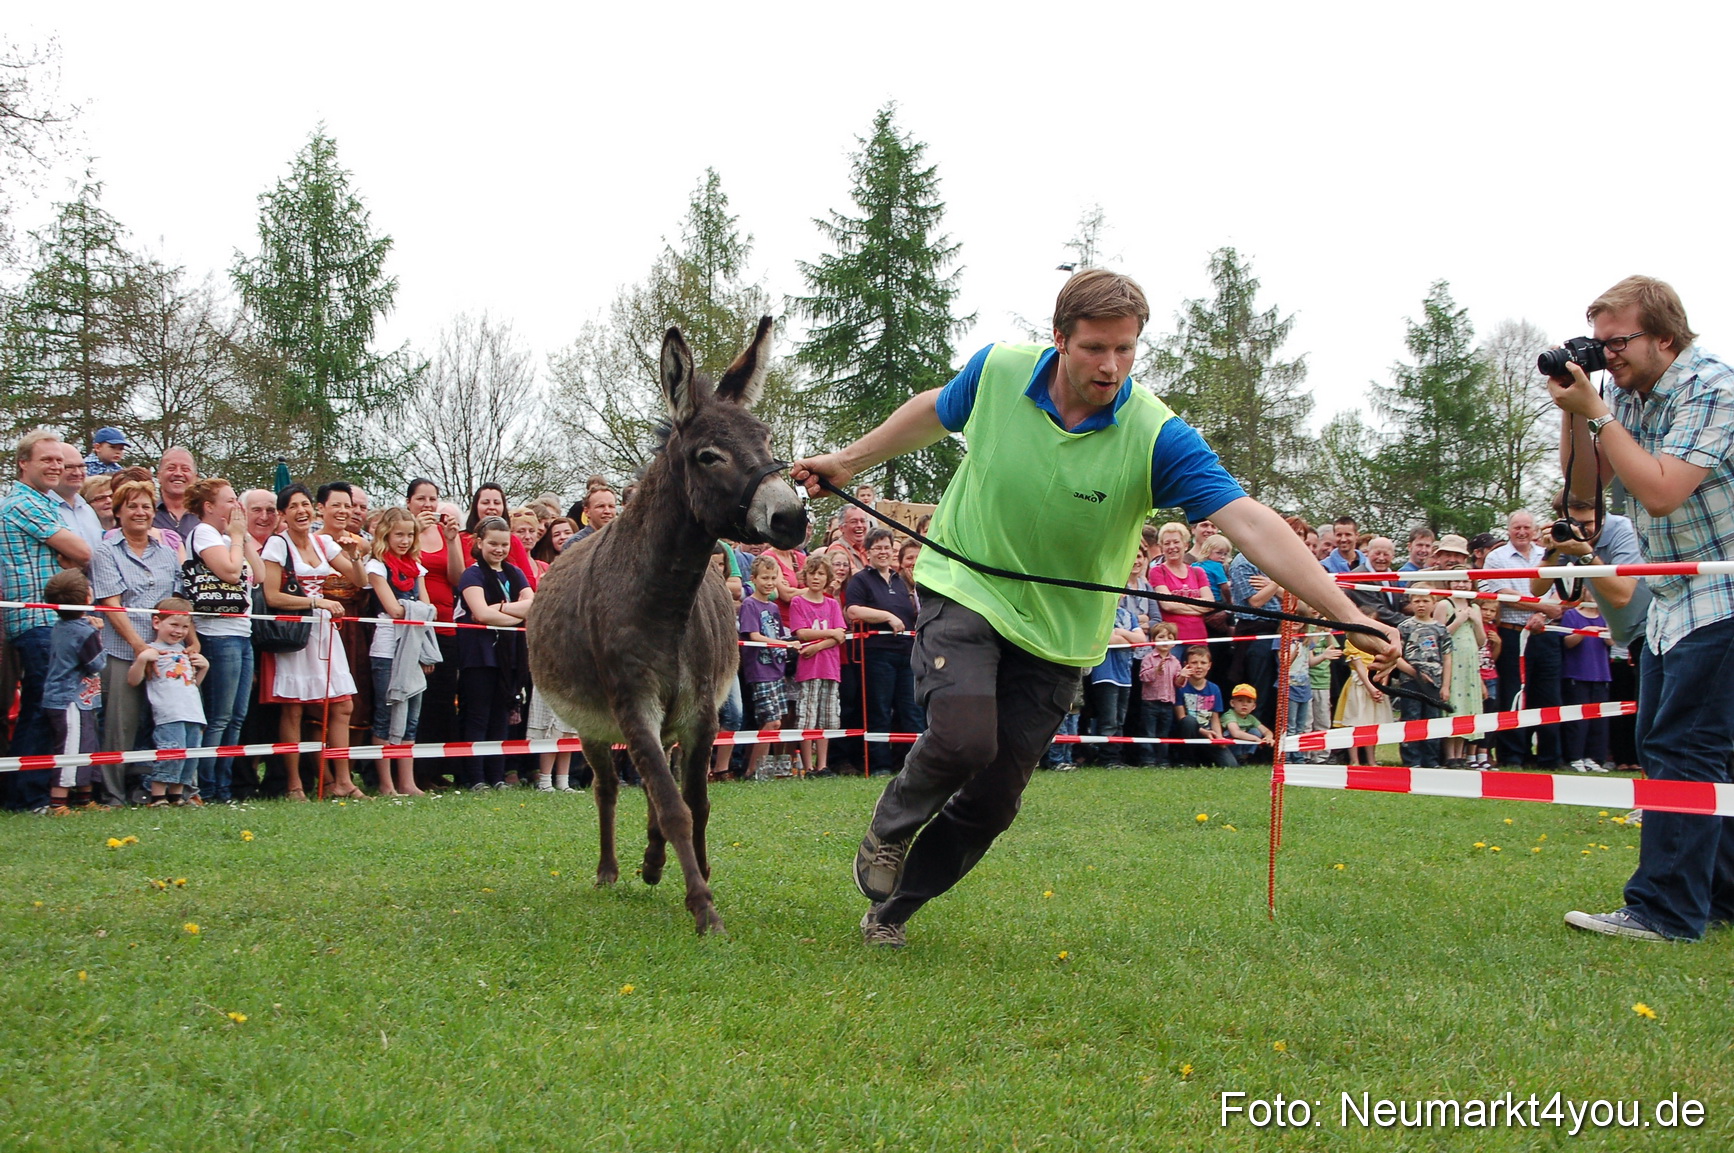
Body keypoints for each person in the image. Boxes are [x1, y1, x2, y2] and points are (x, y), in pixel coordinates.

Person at [794, 269, 1395, 946]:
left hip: (1062, 632)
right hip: (966, 586)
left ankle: (892, 911)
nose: (1111, 366)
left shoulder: (1156, 435)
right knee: (964, 738)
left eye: (1125, 349)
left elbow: (1249, 521)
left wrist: (1347, 613)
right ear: (1059, 338)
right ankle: (890, 828)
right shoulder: (999, 370)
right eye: (1094, 348)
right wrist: (849, 461)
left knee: (994, 801)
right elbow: (936, 409)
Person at [1547, 276, 1734, 942]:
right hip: (1676, 596)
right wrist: (1575, 408)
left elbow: (1660, 491)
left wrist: (1598, 413)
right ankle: (1717, 897)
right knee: (1688, 744)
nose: (1606, 355)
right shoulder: (1626, 395)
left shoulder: (1711, 387)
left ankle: (1664, 910)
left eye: (1617, 341)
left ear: (1665, 336)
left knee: (1683, 745)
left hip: (1723, 589)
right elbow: (1585, 488)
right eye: (1597, 343)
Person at [1, 431, 95, 809]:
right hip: (37, 620)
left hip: (49, 621)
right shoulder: (23, 503)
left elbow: (75, 557)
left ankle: (24, 795)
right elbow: (82, 551)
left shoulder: (44, 502)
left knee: (40, 709)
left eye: (60, 460)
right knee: (44, 710)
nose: (56, 466)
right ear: (24, 463)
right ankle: (30, 796)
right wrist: (68, 556)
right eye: (48, 460)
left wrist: (68, 557)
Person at [260, 483, 365, 801]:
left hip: (324, 632)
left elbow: (360, 581)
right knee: (293, 708)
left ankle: (343, 781)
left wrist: (354, 556)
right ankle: (294, 785)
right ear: (283, 514)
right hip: (294, 632)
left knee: (342, 705)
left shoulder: (323, 543)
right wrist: (316, 602)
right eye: (293, 506)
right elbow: (272, 595)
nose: (301, 511)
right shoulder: (277, 544)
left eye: (305, 504)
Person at [91, 478, 182, 804]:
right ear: (118, 512)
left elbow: (176, 604)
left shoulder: (167, 553)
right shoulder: (105, 552)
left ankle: (164, 790)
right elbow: (111, 605)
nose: (140, 512)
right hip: (121, 651)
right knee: (121, 726)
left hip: (166, 653)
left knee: (168, 722)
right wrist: (138, 646)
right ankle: (113, 794)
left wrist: (190, 643)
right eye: (132, 506)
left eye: (146, 506)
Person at [186, 477, 257, 803]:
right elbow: (229, 572)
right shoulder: (203, 533)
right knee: (219, 717)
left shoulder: (231, 538)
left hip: (242, 632)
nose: (236, 506)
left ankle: (224, 786)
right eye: (229, 500)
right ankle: (208, 787)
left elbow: (258, 575)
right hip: (217, 633)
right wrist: (237, 537)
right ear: (209, 506)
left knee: (237, 717)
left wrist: (243, 537)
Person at [452, 516, 533, 790]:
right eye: (493, 544)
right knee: (478, 715)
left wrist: (499, 609)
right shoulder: (472, 574)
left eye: (504, 545)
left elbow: (532, 605)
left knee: (501, 717)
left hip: (509, 656)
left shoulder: (515, 573)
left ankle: (497, 776)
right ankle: (475, 777)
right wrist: (514, 613)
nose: (499, 550)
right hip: (479, 655)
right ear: (479, 543)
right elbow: (480, 613)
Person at [1481, 510, 1564, 768]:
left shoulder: (1549, 555)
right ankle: (1513, 756)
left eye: (1527, 527)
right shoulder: (1497, 558)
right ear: (1508, 530)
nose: (1522, 532)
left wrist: (1543, 614)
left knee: (1548, 696)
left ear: (1535, 530)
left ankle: (1550, 758)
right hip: (1512, 634)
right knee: (1513, 694)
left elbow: (1563, 590)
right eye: (1517, 527)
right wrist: (1542, 607)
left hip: (1545, 634)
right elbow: (1503, 594)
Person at [364, 507, 431, 797]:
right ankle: (386, 783)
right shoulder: (376, 566)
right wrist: (416, 610)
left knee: (412, 718)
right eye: (399, 535)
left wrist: (425, 651)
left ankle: (407, 782)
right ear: (386, 535)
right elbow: (393, 609)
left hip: (414, 648)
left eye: (409, 535)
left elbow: (428, 609)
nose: (404, 541)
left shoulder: (417, 567)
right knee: (386, 714)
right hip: (387, 649)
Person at [844, 528, 922, 777]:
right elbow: (853, 611)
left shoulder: (901, 581)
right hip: (877, 655)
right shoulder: (861, 580)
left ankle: (915, 765)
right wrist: (887, 616)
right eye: (877, 548)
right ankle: (880, 765)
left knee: (911, 710)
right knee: (879, 709)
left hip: (907, 654)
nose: (883, 552)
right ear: (867, 552)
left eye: (886, 547)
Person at [129, 597, 208, 806]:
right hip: (169, 713)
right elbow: (133, 680)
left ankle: (177, 796)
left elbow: (191, 684)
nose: (179, 631)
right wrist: (142, 660)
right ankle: (158, 796)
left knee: (190, 756)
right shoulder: (152, 650)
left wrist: (204, 668)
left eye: (184, 627)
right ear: (157, 622)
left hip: (193, 712)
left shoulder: (186, 652)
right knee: (171, 752)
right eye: (174, 625)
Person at [41, 570, 106, 814]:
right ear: (88, 598)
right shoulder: (84, 631)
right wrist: (97, 633)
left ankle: (84, 799)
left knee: (86, 745)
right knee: (70, 748)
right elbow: (97, 664)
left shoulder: (62, 625)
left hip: (79, 700)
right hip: (70, 700)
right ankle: (58, 803)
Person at [790, 552, 846, 776]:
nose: (816, 578)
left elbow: (840, 635)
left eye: (821, 574)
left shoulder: (832, 604)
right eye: (812, 573)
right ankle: (808, 765)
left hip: (830, 668)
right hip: (809, 669)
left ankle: (822, 765)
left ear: (827, 578)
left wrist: (818, 645)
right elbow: (802, 632)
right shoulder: (798, 602)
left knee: (827, 718)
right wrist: (830, 634)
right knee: (807, 717)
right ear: (805, 576)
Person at [738, 555, 792, 781]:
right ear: (753, 579)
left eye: (773, 578)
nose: (769, 583)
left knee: (776, 721)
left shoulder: (773, 607)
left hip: (776, 669)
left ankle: (760, 767)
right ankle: (752, 770)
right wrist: (783, 644)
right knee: (770, 721)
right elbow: (754, 635)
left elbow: (778, 634)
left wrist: (787, 645)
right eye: (764, 578)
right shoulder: (749, 604)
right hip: (759, 671)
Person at [1389, 590, 1449, 769]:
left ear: (1434, 603)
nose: (1421, 605)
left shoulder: (1441, 629)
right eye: (1417, 601)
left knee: (1433, 720)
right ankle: (1412, 760)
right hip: (1410, 682)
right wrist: (1414, 673)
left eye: (1425, 601)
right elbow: (1396, 657)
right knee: (1411, 718)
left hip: (1434, 682)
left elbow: (1447, 657)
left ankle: (1431, 760)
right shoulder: (1404, 627)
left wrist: (1445, 685)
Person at [1560, 594, 1613, 773]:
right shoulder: (1571, 615)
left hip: (1601, 675)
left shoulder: (1605, 616)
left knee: (1599, 721)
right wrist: (1585, 631)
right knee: (1577, 720)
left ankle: (1594, 757)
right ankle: (1575, 757)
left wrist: (1606, 632)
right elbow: (1567, 642)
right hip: (1577, 674)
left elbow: (1612, 641)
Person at [1148, 521, 1212, 644]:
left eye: (1176, 542)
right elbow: (1167, 605)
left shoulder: (1198, 572)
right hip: (1171, 640)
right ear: (1162, 547)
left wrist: (1178, 604)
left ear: (1186, 545)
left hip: (1199, 638)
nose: (1172, 547)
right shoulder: (1157, 571)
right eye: (1167, 543)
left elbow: (1210, 604)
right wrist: (1199, 607)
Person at [1173, 646, 1235, 767]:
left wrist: (1219, 737)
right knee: (1189, 721)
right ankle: (1187, 761)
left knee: (1231, 765)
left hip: (1209, 734)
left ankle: (1205, 760)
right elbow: (1181, 717)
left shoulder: (1214, 689)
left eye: (1203, 663)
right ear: (1186, 665)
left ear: (1209, 665)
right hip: (1189, 732)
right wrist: (1203, 732)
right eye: (1194, 663)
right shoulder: (1181, 687)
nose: (1199, 666)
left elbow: (1215, 718)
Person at [1137, 621, 1182, 766]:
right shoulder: (1148, 658)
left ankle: (1162, 760)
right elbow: (1143, 677)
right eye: (1161, 637)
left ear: (1174, 642)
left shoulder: (1175, 661)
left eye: (1169, 638)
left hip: (1167, 704)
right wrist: (1155, 671)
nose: (1165, 641)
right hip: (1150, 702)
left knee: (1164, 734)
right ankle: (1148, 760)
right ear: (1152, 640)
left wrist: (1183, 676)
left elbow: (1178, 683)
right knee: (1148, 732)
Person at [51, 444, 104, 561]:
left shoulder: (87, 510)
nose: (77, 473)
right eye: (68, 467)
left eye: (81, 466)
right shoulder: (43, 509)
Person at [153, 447, 200, 543]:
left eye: (185, 469)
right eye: (171, 468)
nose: (178, 473)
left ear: (195, 478)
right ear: (159, 476)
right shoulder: (146, 513)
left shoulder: (207, 515)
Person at [1222, 684, 1274, 764]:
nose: (1244, 704)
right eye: (1240, 700)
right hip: (1227, 748)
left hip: (1242, 749)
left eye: (1249, 701)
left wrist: (1268, 737)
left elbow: (1266, 731)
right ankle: (1237, 757)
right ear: (1232, 703)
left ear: (1253, 706)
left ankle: (1244, 757)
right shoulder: (1229, 715)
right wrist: (1255, 739)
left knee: (1256, 731)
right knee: (1232, 733)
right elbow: (1235, 733)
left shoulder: (1251, 718)